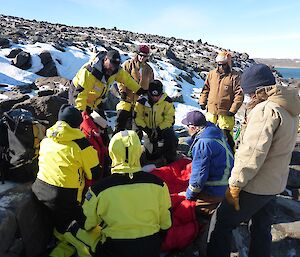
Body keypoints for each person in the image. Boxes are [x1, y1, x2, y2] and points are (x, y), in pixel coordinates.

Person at [207, 64, 300, 257]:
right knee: (261, 227)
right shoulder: (288, 107)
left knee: (222, 221)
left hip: (255, 185)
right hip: (274, 184)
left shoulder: (266, 110)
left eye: (249, 93)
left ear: (257, 90)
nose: (248, 98)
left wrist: (235, 185)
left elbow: (252, 153)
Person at [77, 130, 172, 257]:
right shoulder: (159, 184)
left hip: (114, 249)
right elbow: (166, 224)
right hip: (150, 248)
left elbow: (87, 224)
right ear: (139, 151)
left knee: (73, 231)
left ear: (112, 152)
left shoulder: (98, 189)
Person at [32, 104, 101, 257]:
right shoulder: (82, 145)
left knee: (59, 224)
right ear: (78, 124)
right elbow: (95, 173)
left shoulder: (47, 139)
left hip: (39, 191)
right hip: (63, 197)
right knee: (72, 229)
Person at [69, 49, 143, 145]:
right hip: (78, 96)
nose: (113, 68)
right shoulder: (90, 73)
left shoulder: (115, 70)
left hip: (96, 100)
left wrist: (138, 89)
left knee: (102, 126)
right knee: (80, 125)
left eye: (116, 65)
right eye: (111, 64)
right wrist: (82, 114)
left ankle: (105, 149)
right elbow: (80, 95)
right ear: (105, 59)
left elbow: (127, 79)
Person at [181, 110, 234, 214]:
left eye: (187, 126)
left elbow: (199, 177)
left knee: (190, 209)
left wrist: (188, 195)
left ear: (193, 128)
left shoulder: (203, 143)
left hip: (216, 189)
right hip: (228, 182)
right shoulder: (214, 131)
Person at [199, 51, 244, 151]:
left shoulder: (235, 77)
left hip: (226, 113)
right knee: (208, 134)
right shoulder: (212, 74)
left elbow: (239, 95)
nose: (221, 67)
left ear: (228, 64)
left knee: (226, 137)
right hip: (211, 111)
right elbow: (206, 88)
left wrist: (233, 110)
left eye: (223, 64)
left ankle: (230, 157)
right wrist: (202, 101)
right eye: (219, 64)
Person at [134, 79, 178, 163]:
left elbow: (169, 120)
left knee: (172, 138)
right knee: (150, 156)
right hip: (148, 130)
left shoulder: (167, 101)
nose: (155, 98)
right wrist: (147, 130)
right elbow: (138, 118)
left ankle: (170, 160)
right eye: (152, 95)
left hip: (162, 129)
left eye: (157, 96)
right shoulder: (141, 101)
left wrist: (158, 129)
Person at [115, 44, 154, 133]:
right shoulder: (128, 64)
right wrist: (122, 92)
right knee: (120, 123)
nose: (142, 58)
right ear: (137, 54)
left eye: (144, 56)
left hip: (139, 102)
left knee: (137, 128)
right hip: (126, 99)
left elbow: (151, 83)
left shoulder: (149, 69)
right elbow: (121, 79)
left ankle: (135, 145)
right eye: (140, 55)